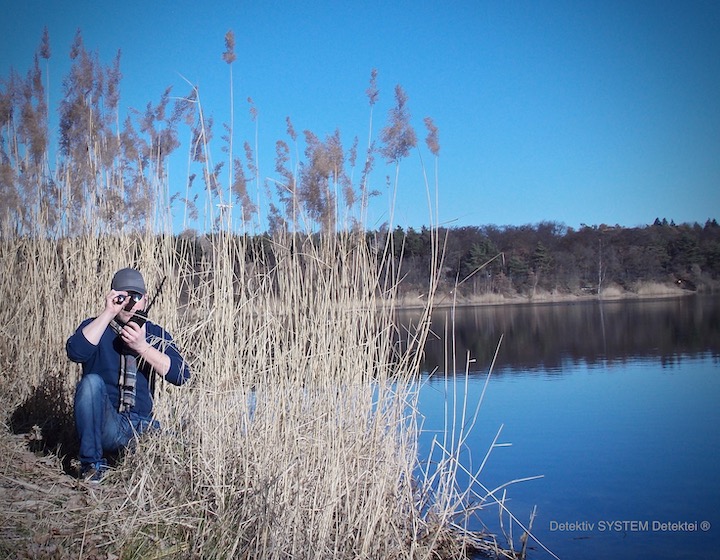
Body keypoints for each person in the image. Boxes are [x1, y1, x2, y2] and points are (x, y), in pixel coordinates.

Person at [66, 267, 190, 482]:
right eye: (123, 296)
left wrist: (142, 347)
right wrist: (108, 314)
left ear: (145, 300)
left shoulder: (156, 334)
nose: (131, 303)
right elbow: (76, 352)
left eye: (137, 296)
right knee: (90, 383)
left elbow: (181, 375)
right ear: (112, 296)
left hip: (142, 426)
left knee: (185, 447)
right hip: (107, 423)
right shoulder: (95, 327)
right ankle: (92, 467)